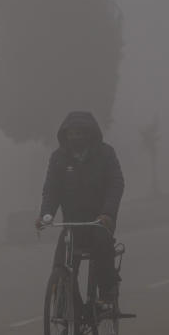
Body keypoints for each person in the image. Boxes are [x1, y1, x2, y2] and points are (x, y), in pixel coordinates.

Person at [36, 110, 125, 304]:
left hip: (100, 222)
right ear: (65, 134)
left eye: (80, 132)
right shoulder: (58, 158)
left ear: (90, 133)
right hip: (72, 224)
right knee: (60, 266)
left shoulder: (106, 154)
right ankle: (68, 317)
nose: (76, 137)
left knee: (102, 248)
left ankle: (107, 293)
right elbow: (51, 189)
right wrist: (45, 215)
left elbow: (116, 184)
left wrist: (108, 214)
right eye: (72, 133)